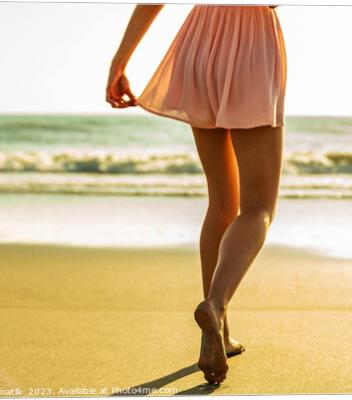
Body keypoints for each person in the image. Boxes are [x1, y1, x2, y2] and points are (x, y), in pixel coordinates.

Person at [106, 3, 286, 385]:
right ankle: (216, 305)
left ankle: (220, 332)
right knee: (258, 207)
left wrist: (119, 63)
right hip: (253, 42)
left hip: (199, 41)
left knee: (221, 200)